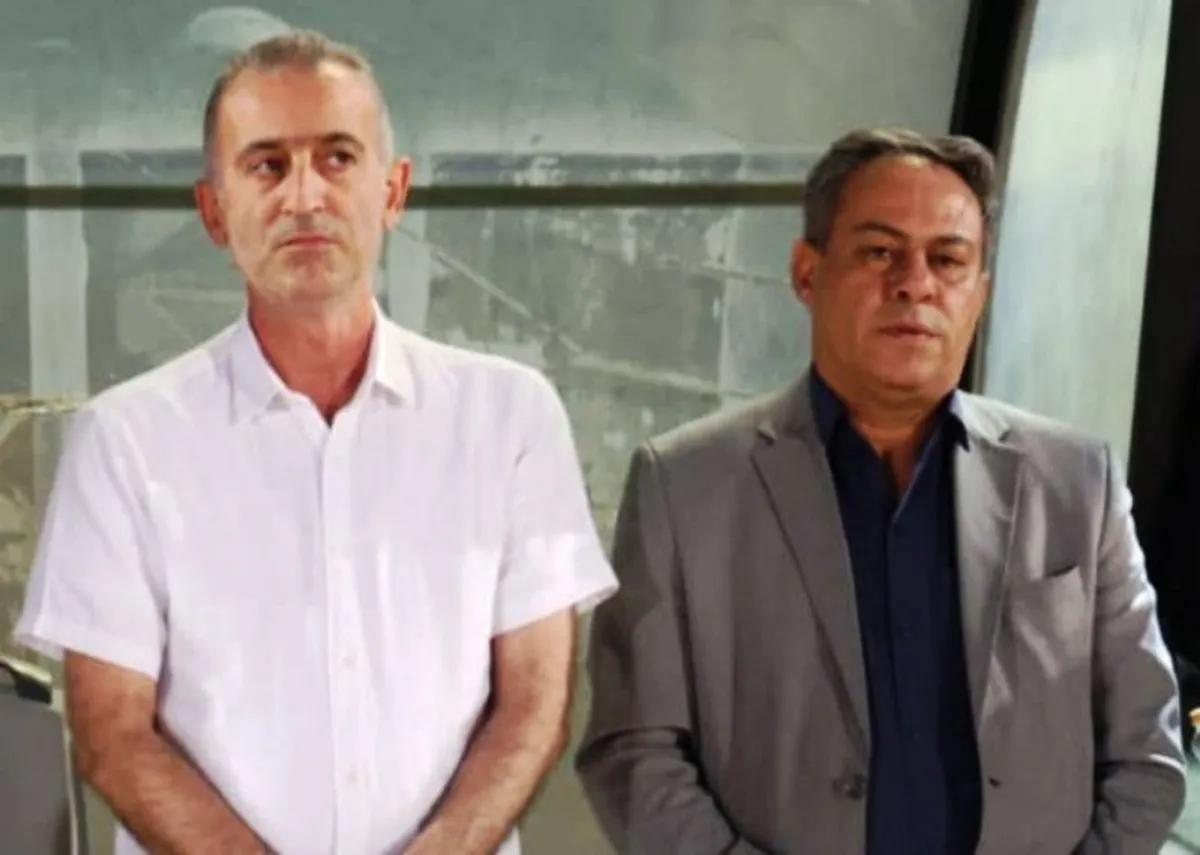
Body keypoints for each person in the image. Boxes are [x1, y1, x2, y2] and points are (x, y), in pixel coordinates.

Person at [15, 30, 616, 855]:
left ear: (393, 191)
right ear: (214, 210)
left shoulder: (510, 417)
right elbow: (113, 735)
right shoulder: (124, 441)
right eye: (267, 165)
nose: (305, 196)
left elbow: (533, 705)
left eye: (337, 158)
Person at [576, 127, 1185, 854]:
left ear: (980, 293)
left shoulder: (1077, 481)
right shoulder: (684, 484)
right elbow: (635, 752)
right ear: (807, 272)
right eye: (879, 252)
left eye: (948, 259)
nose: (915, 284)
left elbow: (1147, 753)